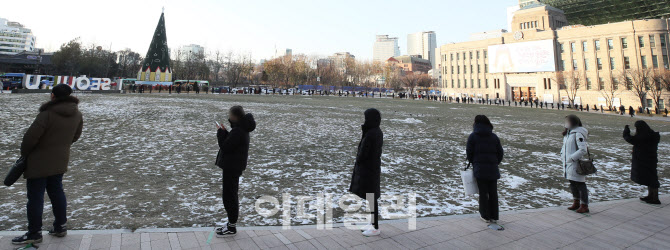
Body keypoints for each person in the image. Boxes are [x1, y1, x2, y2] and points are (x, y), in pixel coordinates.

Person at [12, 84, 83, 245]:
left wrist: (26, 153)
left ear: (52, 96)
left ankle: (34, 232)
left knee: (35, 197)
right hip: (60, 159)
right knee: (57, 192)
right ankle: (60, 226)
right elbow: (75, 136)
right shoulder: (77, 114)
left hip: (39, 161)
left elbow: (30, 139)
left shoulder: (47, 114)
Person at [215, 106, 256, 237]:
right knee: (230, 195)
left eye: (230, 115)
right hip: (233, 166)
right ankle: (230, 224)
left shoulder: (238, 131)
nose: (229, 117)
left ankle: (231, 226)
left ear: (235, 116)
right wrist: (226, 133)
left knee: (229, 197)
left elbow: (225, 146)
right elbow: (232, 143)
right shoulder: (240, 129)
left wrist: (221, 134)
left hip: (232, 167)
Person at [349, 108, 383, 237]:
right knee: (370, 198)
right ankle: (373, 223)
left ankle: (375, 227)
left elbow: (364, 153)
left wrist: (359, 161)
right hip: (371, 169)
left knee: (371, 198)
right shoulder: (376, 131)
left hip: (369, 170)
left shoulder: (371, 134)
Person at [466, 115, 504, 224]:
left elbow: (469, 153)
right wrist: (495, 162)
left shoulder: (473, 136)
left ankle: (485, 215)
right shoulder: (494, 137)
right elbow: (500, 152)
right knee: (493, 193)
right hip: (492, 168)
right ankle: (494, 216)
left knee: (483, 193)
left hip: (480, 169)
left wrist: (475, 162)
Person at [623, 121, 661, 204]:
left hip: (644, 160)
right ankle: (651, 196)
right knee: (650, 178)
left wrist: (626, 130)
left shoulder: (643, 137)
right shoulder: (652, 135)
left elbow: (629, 138)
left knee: (652, 179)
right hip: (650, 159)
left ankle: (655, 198)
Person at [560, 115, 590, 214]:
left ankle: (584, 205)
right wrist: (562, 156)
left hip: (576, 163)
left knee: (580, 184)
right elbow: (564, 147)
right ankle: (576, 201)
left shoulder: (578, 133)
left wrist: (572, 158)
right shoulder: (568, 133)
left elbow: (583, 149)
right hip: (567, 163)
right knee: (572, 183)